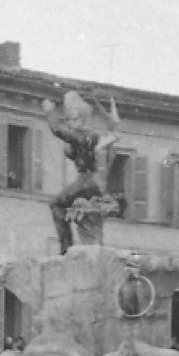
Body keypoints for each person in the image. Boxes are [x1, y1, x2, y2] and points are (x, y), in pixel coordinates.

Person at [42, 91, 121, 254]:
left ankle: (66, 248)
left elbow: (58, 130)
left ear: (83, 119)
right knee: (73, 209)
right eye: (69, 119)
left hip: (88, 180)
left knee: (56, 204)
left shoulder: (84, 136)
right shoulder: (89, 137)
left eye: (74, 119)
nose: (71, 123)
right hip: (91, 182)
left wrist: (50, 113)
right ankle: (73, 247)